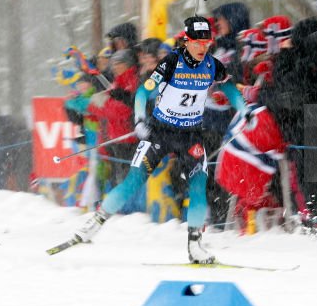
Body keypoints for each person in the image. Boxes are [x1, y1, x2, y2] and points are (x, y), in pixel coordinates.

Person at [55, 16, 246, 263]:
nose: (203, 48)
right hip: (160, 132)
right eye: (197, 43)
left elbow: (228, 87)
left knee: (198, 183)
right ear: (187, 41)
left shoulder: (212, 65)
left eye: (207, 43)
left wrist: (243, 109)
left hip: (190, 135)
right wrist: (139, 120)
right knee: (134, 181)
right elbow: (144, 91)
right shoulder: (171, 63)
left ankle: (195, 245)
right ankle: (93, 224)